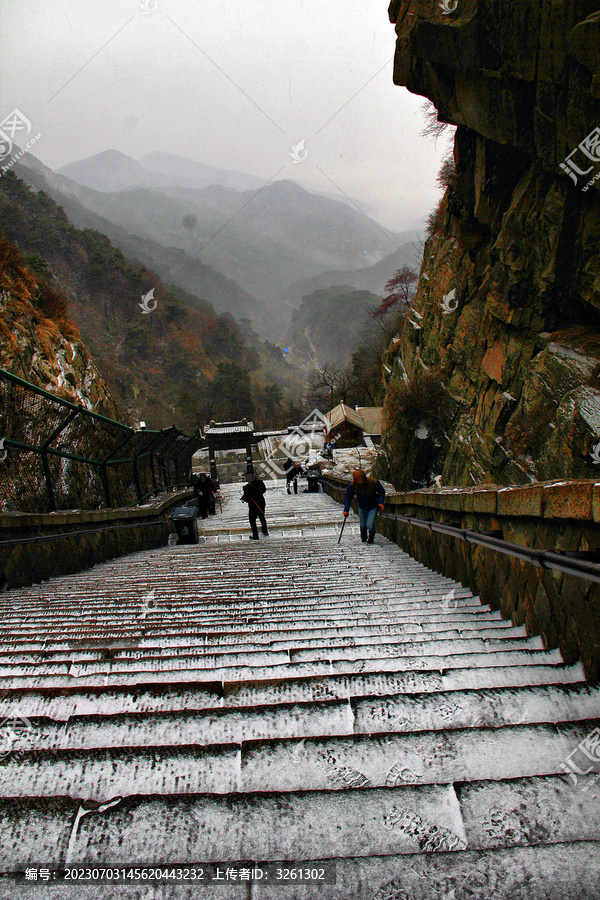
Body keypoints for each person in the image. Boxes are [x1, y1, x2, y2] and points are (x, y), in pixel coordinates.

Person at [343, 469, 385, 544]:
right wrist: (346, 509)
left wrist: (380, 502)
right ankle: (364, 539)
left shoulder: (373, 482)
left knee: (370, 524)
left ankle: (371, 536)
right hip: (362, 506)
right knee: (362, 525)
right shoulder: (353, 484)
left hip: (373, 506)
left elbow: (382, 492)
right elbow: (348, 496)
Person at [241, 472, 269, 540]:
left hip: (253, 505)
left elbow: (246, 497)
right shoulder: (260, 482)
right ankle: (265, 531)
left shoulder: (247, 487)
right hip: (261, 502)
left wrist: (243, 498)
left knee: (252, 520)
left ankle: (255, 535)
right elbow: (263, 490)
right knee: (262, 517)